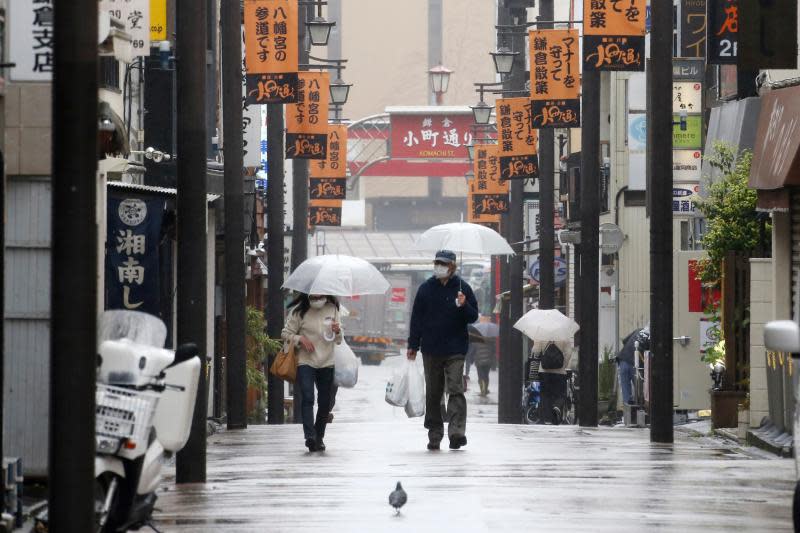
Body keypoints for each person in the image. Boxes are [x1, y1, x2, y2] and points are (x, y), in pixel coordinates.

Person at [407, 250, 479, 451]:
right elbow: (417, 319)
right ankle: (435, 433)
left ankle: (456, 432)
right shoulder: (425, 289)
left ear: (452, 267)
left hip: (456, 349)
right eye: (437, 262)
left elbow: (473, 317)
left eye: (444, 263)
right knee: (434, 392)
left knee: (455, 389)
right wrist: (413, 345)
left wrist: (464, 305)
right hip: (431, 349)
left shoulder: (463, 288)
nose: (439, 266)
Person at [282, 293, 342, 452]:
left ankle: (319, 436)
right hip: (305, 361)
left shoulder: (333, 309)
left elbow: (339, 340)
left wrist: (338, 331)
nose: (317, 297)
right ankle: (310, 436)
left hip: (327, 362)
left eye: (320, 293)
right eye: (314, 293)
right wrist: (300, 339)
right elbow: (285, 333)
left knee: (325, 402)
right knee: (308, 397)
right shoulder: (299, 311)